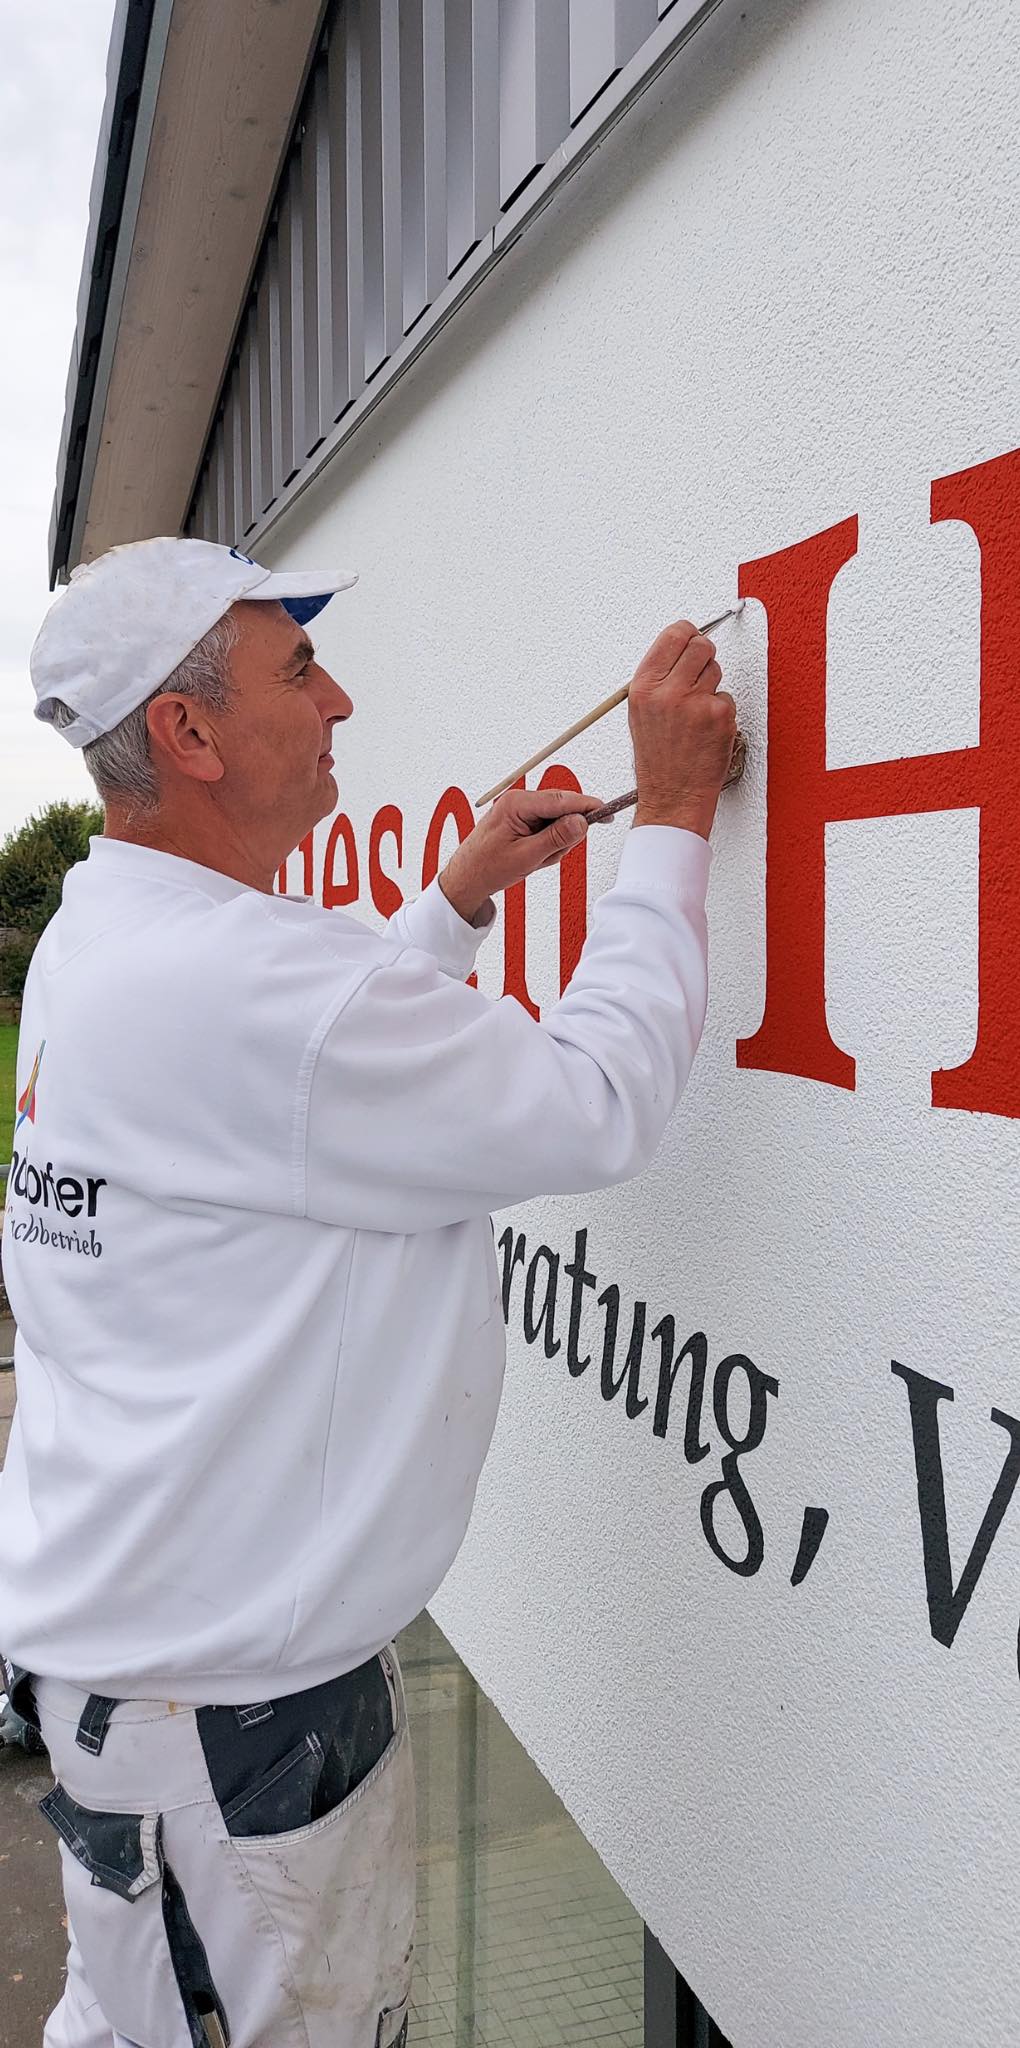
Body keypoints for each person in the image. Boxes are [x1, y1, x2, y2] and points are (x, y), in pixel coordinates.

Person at [0, 536, 737, 2048]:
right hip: (234, 1752)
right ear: (190, 737)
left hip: (148, 1707)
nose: (342, 701)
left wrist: (455, 902)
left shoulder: (106, 939)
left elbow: (284, 1094)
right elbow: (596, 1100)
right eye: (298, 668)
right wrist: (668, 822)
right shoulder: (252, 992)